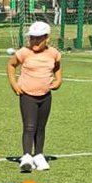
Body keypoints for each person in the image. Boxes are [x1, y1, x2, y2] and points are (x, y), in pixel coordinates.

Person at [7, 19, 62, 172]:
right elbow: (11, 65)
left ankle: (38, 154)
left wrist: (58, 80)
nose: (35, 41)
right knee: (29, 126)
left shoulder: (53, 53)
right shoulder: (24, 52)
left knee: (41, 127)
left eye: (39, 38)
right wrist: (14, 84)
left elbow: (57, 67)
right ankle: (26, 156)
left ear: (47, 38)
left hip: (45, 96)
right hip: (27, 95)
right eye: (32, 38)